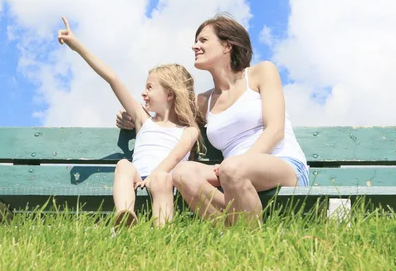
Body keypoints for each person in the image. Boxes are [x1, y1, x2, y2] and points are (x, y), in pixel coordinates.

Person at [116, 14, 308, 225]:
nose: (195, 46)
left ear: (227, 46)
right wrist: (135, 119)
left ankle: (244, 234)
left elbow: (275, 131)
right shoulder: (202, 102)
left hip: (282, 163)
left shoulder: (261, 73)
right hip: (230, 174)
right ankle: (236, 230)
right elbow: (168, 117)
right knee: (182, 174)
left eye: (203, 40)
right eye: (196, 41)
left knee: (231, 169)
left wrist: (238, 163)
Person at [57, 17, 203, 227]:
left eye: (150, 88)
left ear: (169, 94)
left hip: (165, 180)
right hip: (139, 176)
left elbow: (175, 157)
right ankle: (125, 216)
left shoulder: (189, 131)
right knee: (124, 164)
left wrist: (153, 176)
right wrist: (77, 46)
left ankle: (162, 233)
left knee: (162, 179)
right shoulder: (143, 120)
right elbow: (113, 79)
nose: (143, 93)